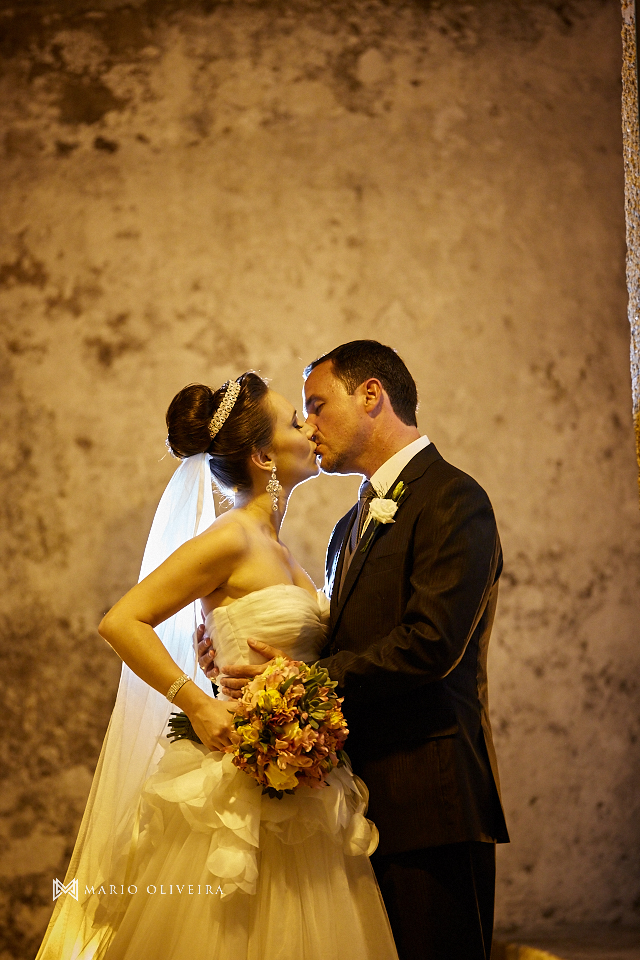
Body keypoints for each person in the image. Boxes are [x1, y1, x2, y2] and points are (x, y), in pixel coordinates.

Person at [36, 372, 398, 960]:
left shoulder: (282, 549)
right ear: (261, 456)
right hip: (236, 781)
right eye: (291, 422)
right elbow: (121, 621)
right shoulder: (230, 538)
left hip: (303, 781)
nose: (308, 427)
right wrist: (199, 702)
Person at [205, 341, 509, 960]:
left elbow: (431, 645)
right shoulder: (348, 528)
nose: (308, 424)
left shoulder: (454, 499)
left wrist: (298, 679)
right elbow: (333, 639)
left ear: (372, 395)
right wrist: (226, 636)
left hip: (432, 802)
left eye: (317, 404)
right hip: (350, 806)